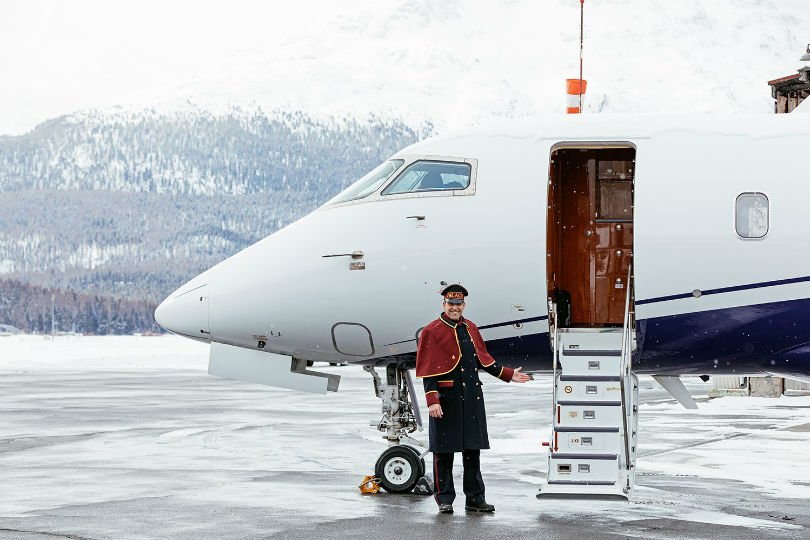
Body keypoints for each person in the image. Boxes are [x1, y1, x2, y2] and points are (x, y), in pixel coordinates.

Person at [415, 284, 530, 514]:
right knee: (444, 453)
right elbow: (428, 371)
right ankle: (445, 499)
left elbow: (484, 360)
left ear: (463, 305)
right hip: (446, 401)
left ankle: (475, 499)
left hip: (471, 399)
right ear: (444, 304)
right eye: (451, 304)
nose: (455, 308)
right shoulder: (432, 330)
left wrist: (508, 374)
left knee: (472, 453)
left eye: (458, 305)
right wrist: (432, 400)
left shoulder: (470, 328)